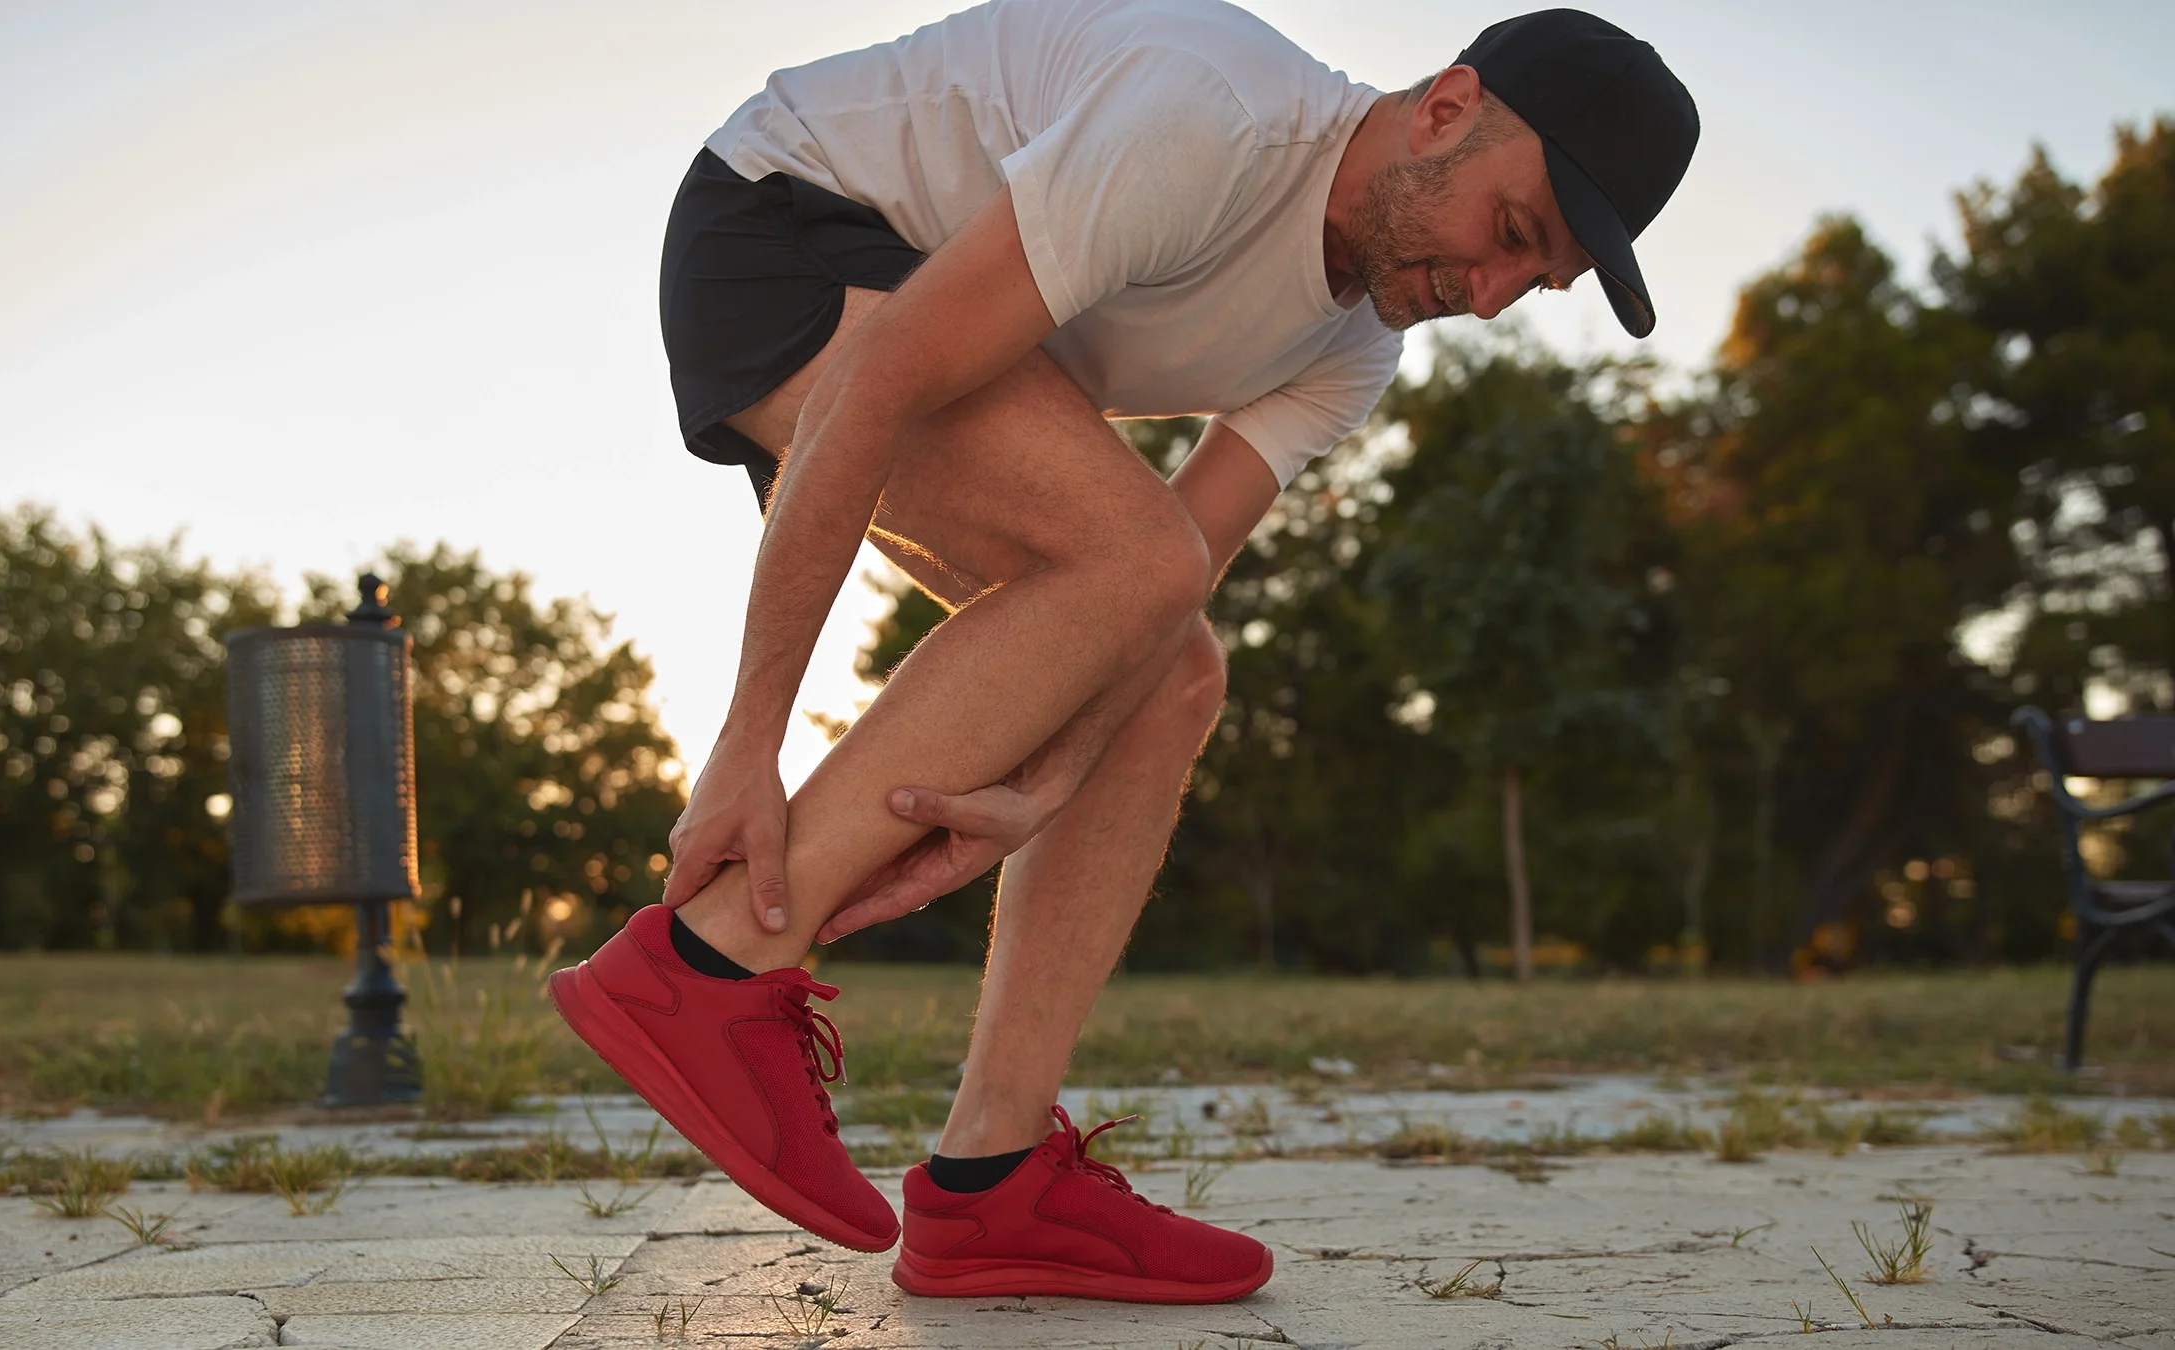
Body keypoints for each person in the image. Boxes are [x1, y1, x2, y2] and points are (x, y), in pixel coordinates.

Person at [551, 0, 1696, 1304]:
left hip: (922, 318)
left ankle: (992, 1183)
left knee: (1179, 659)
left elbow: (1166, 608)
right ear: (1446, 106)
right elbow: (883, 382)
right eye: (1507, 233)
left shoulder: (1355, 348)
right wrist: (746, 740)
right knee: (1134, 558)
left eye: (1530, 283)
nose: (1486, 299)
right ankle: (704, 964)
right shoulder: (1215, 121)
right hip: (780, 228)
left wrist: (1047, 779)